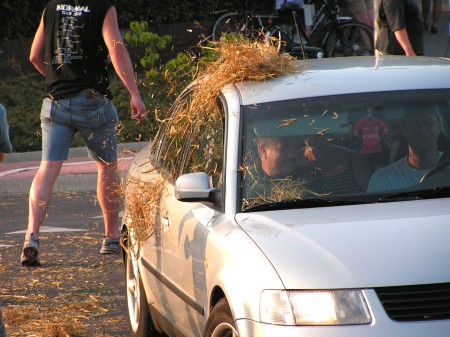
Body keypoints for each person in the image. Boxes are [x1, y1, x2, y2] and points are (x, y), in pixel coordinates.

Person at [22, 0, 147, 267]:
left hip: (55, 101)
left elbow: (34, 55)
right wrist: (134, 94)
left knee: (47, 169)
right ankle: (111, 237)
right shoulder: (103, 6)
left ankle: (31, 235)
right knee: (106, 167)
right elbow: (116, 50)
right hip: (92, 103)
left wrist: (56, 79)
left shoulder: (52, 6)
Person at [367, 109, 443, 192]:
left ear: (439, 127)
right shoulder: (383, 179)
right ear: (403, 130)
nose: (422, 129)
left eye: (428, 123)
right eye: (414, 124)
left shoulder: (447, 165)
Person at [298, 133, 373, 195]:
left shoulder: (353, 158)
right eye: (307, 133)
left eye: (318, 131)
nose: (313, 136)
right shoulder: (294, 161)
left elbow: (370, 195)